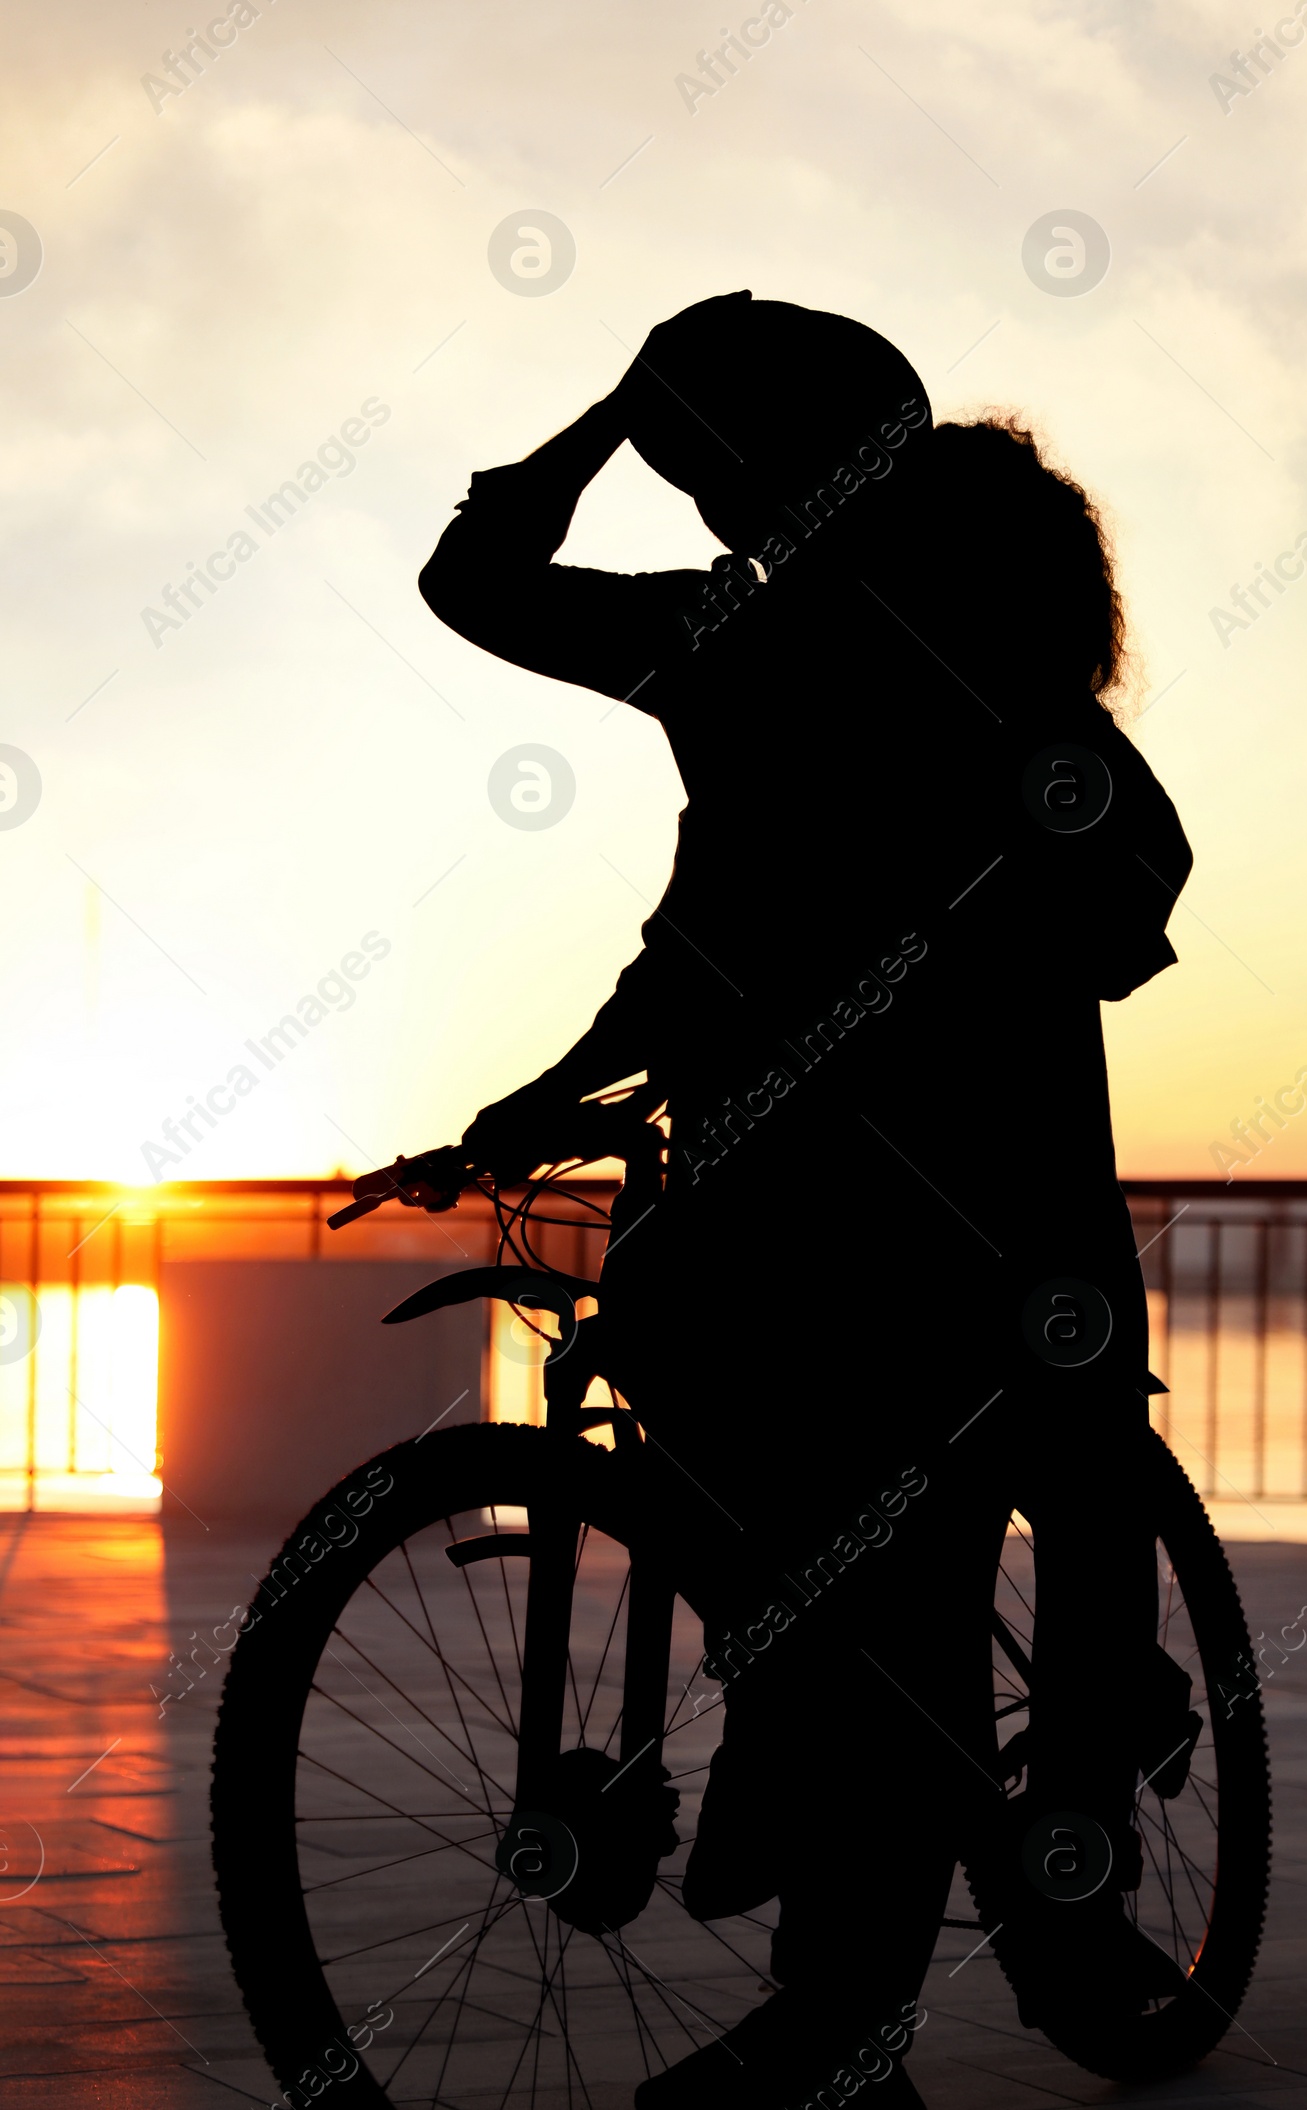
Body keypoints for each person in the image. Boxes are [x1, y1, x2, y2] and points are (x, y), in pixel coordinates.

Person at [418, 292, 1194, 2108]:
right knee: (913, 1568)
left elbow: (480, 581)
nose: (706, 514)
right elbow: (712, 942)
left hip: (908, 1223)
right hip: (911, 1204)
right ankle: (922, 1952)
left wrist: (602, 413)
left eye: (708, 468)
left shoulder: (800, 650)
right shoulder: (823, 647)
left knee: (914, 1584)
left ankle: (890, 1985)